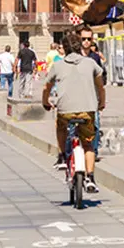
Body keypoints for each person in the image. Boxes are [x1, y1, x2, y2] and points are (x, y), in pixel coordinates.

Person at [43, 31, 105, 192]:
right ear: (78, 47)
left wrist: (45, 101)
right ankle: (90, 178)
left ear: (64, 49)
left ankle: (62, 156)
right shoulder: (91, 63)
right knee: (88, 143)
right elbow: (100, 85)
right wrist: (101, 103)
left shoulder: (57, 65)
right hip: (88, 110)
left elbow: (46, 87)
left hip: (65, 111)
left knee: (60, 125)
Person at [78, 25, 104, 157]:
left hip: (92, 96)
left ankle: (93, 152)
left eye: (89, 39)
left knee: (95, 125)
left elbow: (100, 78)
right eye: (83, 39)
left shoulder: (95, 57)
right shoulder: (75, 56)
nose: (86, 41)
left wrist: (101, 97)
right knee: (73, 126)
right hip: (77, 96)